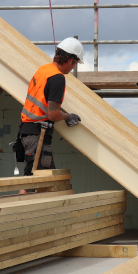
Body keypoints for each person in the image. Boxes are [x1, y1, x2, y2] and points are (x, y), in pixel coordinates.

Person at [17, 37, 83, 176]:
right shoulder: (58, 78)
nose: (72, 69)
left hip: (27, 132)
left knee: (33, 181)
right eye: (75, 64)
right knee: (39, 182)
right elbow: (52, 114)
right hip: (37, 136)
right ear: (70, 61)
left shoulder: (43, 70)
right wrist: (67, 116)